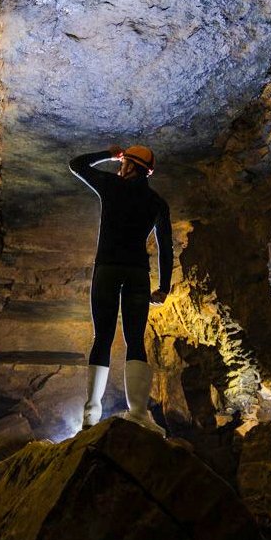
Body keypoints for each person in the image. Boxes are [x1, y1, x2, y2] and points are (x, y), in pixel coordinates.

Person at [69, 144, 173, 434]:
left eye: (124, 162)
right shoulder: (156, 203)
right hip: (138, 273)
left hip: (108, 269)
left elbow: (76, 164)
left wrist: (108, 152)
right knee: (135, 340)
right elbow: (166, 247)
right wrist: (164, 287)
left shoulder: (111, 186)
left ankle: (91, 415)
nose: (120, 166)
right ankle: (138, 413)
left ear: (130, 167)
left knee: (102, 337)